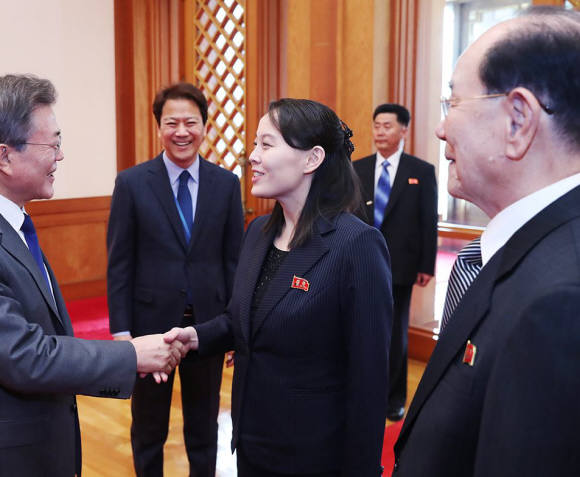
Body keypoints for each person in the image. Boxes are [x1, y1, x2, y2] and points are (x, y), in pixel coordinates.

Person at [0, 74, 182, 477]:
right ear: (4, 156)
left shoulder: (4, 220)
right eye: (52, 144)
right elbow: (24, 356)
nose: (60, 156)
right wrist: (132, 355)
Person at [393, 7, 580, 477]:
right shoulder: (533, 251)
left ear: (519, 120)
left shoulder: (558, 301)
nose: (440, 128)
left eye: (452, 104)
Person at [165, 98, 392, 476]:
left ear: (311, 159)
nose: (252, 156)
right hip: (252, 444)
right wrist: (196, 337)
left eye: (266, 145)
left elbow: (368, 383)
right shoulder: (258, 232)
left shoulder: (356, 246)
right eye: (254, 144)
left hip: (315, 456)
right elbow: (247, 318)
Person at [106, 82, 244, 476]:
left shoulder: (226, 184)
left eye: (190, 122)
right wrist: (121, 331)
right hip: (150, 327)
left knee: (204, 423)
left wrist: (233, 327)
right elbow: (119, 262)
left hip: (208, 323)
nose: (181, 131)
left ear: (204, 126)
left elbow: (233, 261)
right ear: (159, 127)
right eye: (172, 123)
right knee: (149, 425)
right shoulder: (132, 183)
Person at [353, 103, 438, 421]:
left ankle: (393, 399)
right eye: (376, 125)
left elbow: (428, 221)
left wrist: (426, 264)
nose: (380, 132)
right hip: (363, 262)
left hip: (401, 265)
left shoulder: (421, 171)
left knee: (395, 333)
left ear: (404, 130)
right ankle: (363, 393)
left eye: (387, 126)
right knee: (362, 328)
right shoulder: (358, 168)